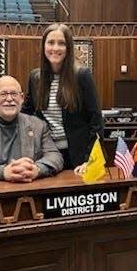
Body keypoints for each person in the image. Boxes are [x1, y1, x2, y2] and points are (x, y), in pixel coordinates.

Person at [22, 23, 103, 170]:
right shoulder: (35, 78)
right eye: (51, 43)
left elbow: (96, 120)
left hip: (79, 157)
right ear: (43, 46)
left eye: (61, 43)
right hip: (48, 155)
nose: (55, 48)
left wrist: (90, 160)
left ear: (68, 48)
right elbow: (25, 113)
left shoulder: (82, 76)